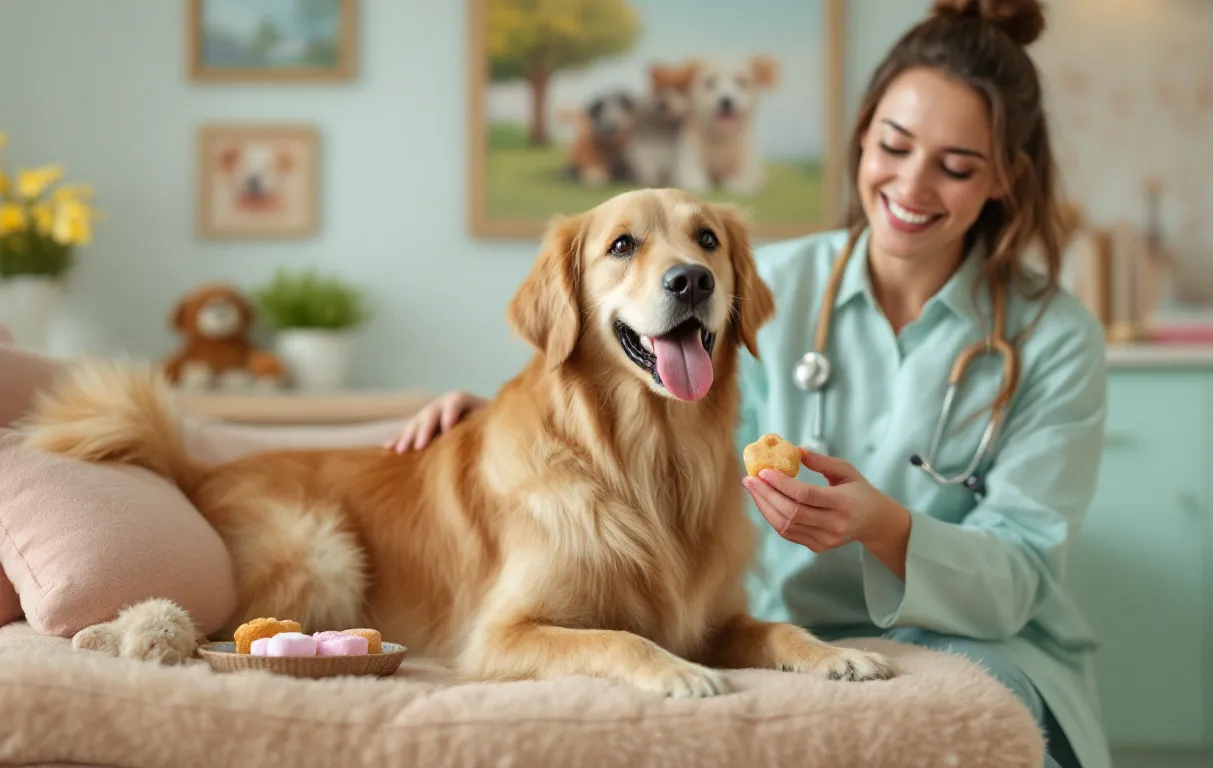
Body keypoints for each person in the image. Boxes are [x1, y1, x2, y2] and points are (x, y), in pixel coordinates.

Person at [388, 1, 1108, 766]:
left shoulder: (1055, 339)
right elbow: (651, 430)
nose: (912, 184)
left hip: (985, 641)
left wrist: (887, 530)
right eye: (893, 146)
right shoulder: (772, 285)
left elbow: (1025, 574)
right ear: (862, 134)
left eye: (956, 166)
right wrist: (501, 422)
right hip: (785, 631)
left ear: (1007, 177)